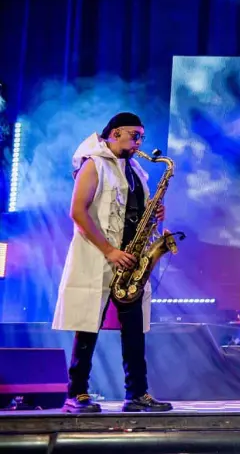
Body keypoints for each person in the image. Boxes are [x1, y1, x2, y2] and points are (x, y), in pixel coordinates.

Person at [52, 112, 172, 414]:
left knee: (134, 330)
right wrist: (109, 251)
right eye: (135, 135)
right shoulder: (93, 165)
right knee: (88, 326)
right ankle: (75, 393)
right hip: (100, 256)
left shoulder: (135, 171)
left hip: (130, 259)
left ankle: (137, 393)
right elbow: (77, 213)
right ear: (115, 133)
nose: (139, 142)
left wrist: (155, 216)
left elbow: (136, 213)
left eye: (141, 137)